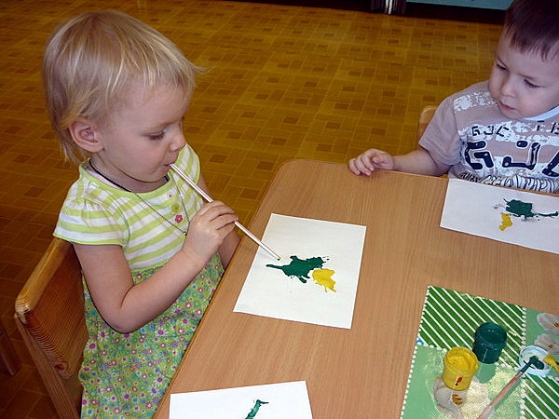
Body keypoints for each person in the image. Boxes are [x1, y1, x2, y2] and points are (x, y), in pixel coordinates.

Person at [42, 10, 240, 417]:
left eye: (180, 122)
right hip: (150, 340)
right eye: (157, 133)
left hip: (207, 300)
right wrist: (192, 254)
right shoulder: (93, 210)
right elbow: (122, 315)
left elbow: (218, 225)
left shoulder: (178, 158)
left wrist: (242, 275)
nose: (179, 141)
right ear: (90, 134)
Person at [349, 0, 559, 193]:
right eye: (501, 67)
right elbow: (433, 161)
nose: (506, 89)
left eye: (530, 83)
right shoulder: (463, 108)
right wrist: (395, 164)